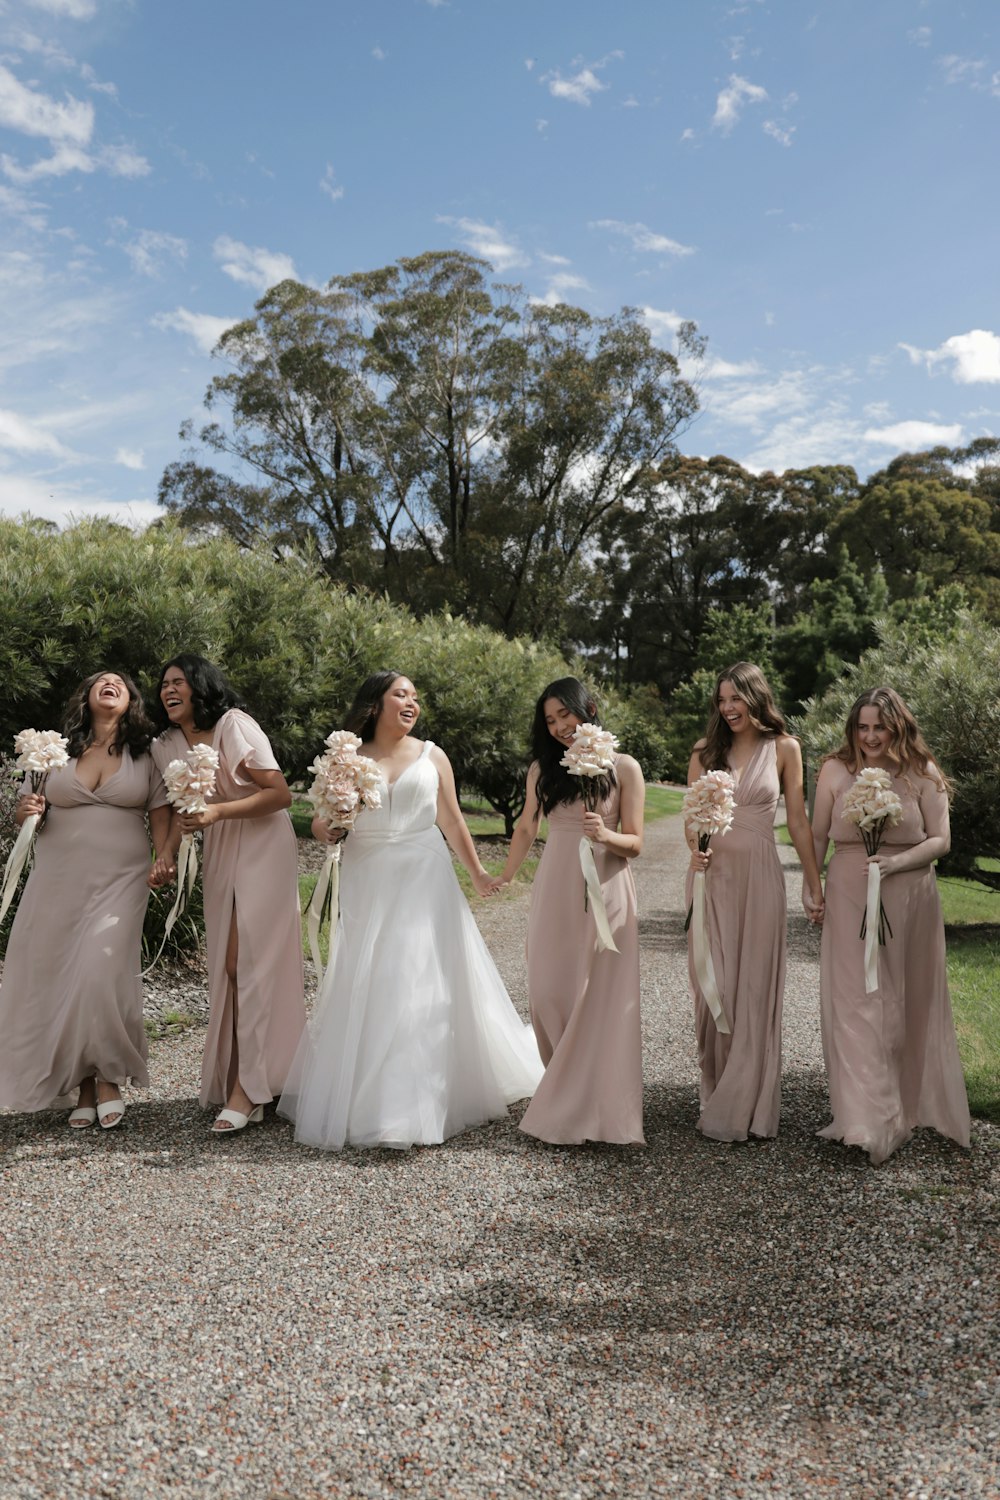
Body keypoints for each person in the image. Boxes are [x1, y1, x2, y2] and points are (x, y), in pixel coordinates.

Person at [278, 671, 542, 1151]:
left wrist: (479, 872)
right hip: (369, 874)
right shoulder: (347, 757)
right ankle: (367, 1096)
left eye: (416, 697)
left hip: (425, 874)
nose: (412, 703)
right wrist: (327, 830)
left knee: (418, 975)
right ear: (374, 703)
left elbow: (452, 818)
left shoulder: (432, 754)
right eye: (401, 694)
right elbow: (320, 819)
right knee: (373, 975)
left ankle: (407, 1105)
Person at [0, 670, 174, 1129]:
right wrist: (26, 811)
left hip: (121, 879)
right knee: (63, 977)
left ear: (130, 698)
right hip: (58, 880)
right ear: (88, 696)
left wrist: (166, 856)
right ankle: (83, 1083)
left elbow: (160, 811)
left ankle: (109, 1075)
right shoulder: (52, 750)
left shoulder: (147, 751)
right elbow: (26, 809)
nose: (110, 684)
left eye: (120, 682)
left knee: (101, 972)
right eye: (102, 681)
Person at [810, 687, 970, 1164]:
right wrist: (811, 886)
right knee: (855, 1000)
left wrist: (894, 866)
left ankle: (901, 1106)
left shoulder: (923, 773)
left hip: (908, 896)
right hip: (847, 889)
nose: (871, 736)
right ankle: (866, 1120)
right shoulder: (835, 770)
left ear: (898, 726)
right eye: (863, 726)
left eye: (879, 726)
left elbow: (941, 840)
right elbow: (819, 833)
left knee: (902, 1000)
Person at [152, 654, 306, 1133]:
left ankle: (249, 1088)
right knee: (229, 967)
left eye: (178, 681)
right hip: (220, 849)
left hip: (261, 842)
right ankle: (255, 1076)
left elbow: (280, 793)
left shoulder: (233, 725)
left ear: (200, 686)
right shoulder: (166, 744)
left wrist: (218, 814)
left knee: (250, 963)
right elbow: (183, 809)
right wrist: (167, 854)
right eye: (163, 685)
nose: (168, 690)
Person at [499, 677, 645, 1145]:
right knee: (547, 992)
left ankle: (595, 1106)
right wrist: (502, 875)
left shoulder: (624, 767)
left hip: (607, 886)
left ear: (590, 709)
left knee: (600, 997)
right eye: (551, 719)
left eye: (567, 714)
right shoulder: (542, 769)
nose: (561, 726)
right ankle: (564, 1090)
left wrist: (605, 835)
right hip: (555, 887)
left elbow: (636, 843)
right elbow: (525, 826)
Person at [685, 662, 824, 1142]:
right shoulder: (705, 752)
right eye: (721, 701)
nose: (727, 708)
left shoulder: (785, 749)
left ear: (755, 697)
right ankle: (717, 1085)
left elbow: (800, 822)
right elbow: (691, 817)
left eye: (735, 699)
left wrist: (813, 883)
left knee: (754, 990)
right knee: (714, 988)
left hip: (761, 878)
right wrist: (693, 850)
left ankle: (746, 1103)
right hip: (712, 878)